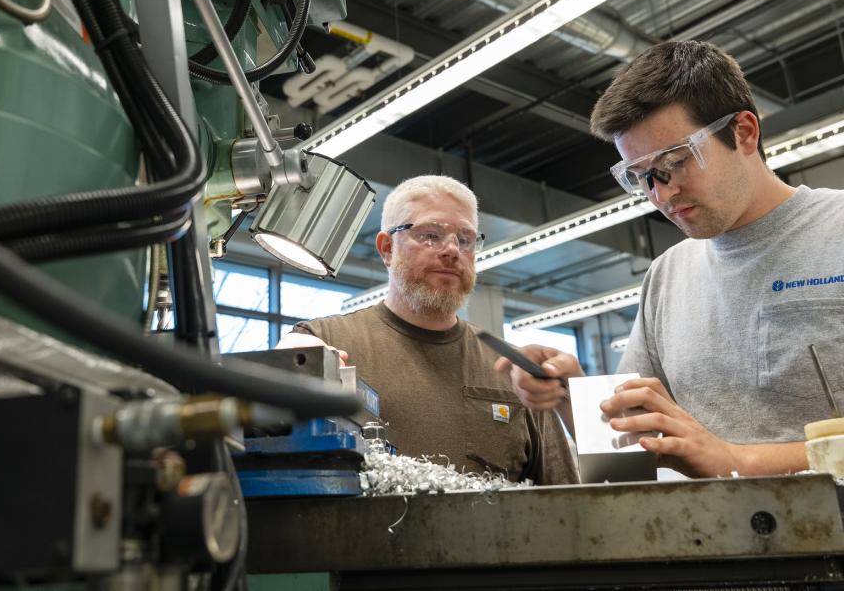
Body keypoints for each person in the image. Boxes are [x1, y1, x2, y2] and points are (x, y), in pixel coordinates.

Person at [502, 40, 844, 478]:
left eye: (676, 162)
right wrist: (572, 398)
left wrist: (738, 462)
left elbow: (719, 458)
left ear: (743, 132)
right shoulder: (668, 276)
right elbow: (632, 455)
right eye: (641, 176)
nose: (661, 194)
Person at [278, 175, 578, 485]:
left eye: (465, 239)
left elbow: (563, 501)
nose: (452, 250)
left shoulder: (518, 373)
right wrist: (287, 367)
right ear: (387, 249)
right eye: (430, 235)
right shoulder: (325, 343)